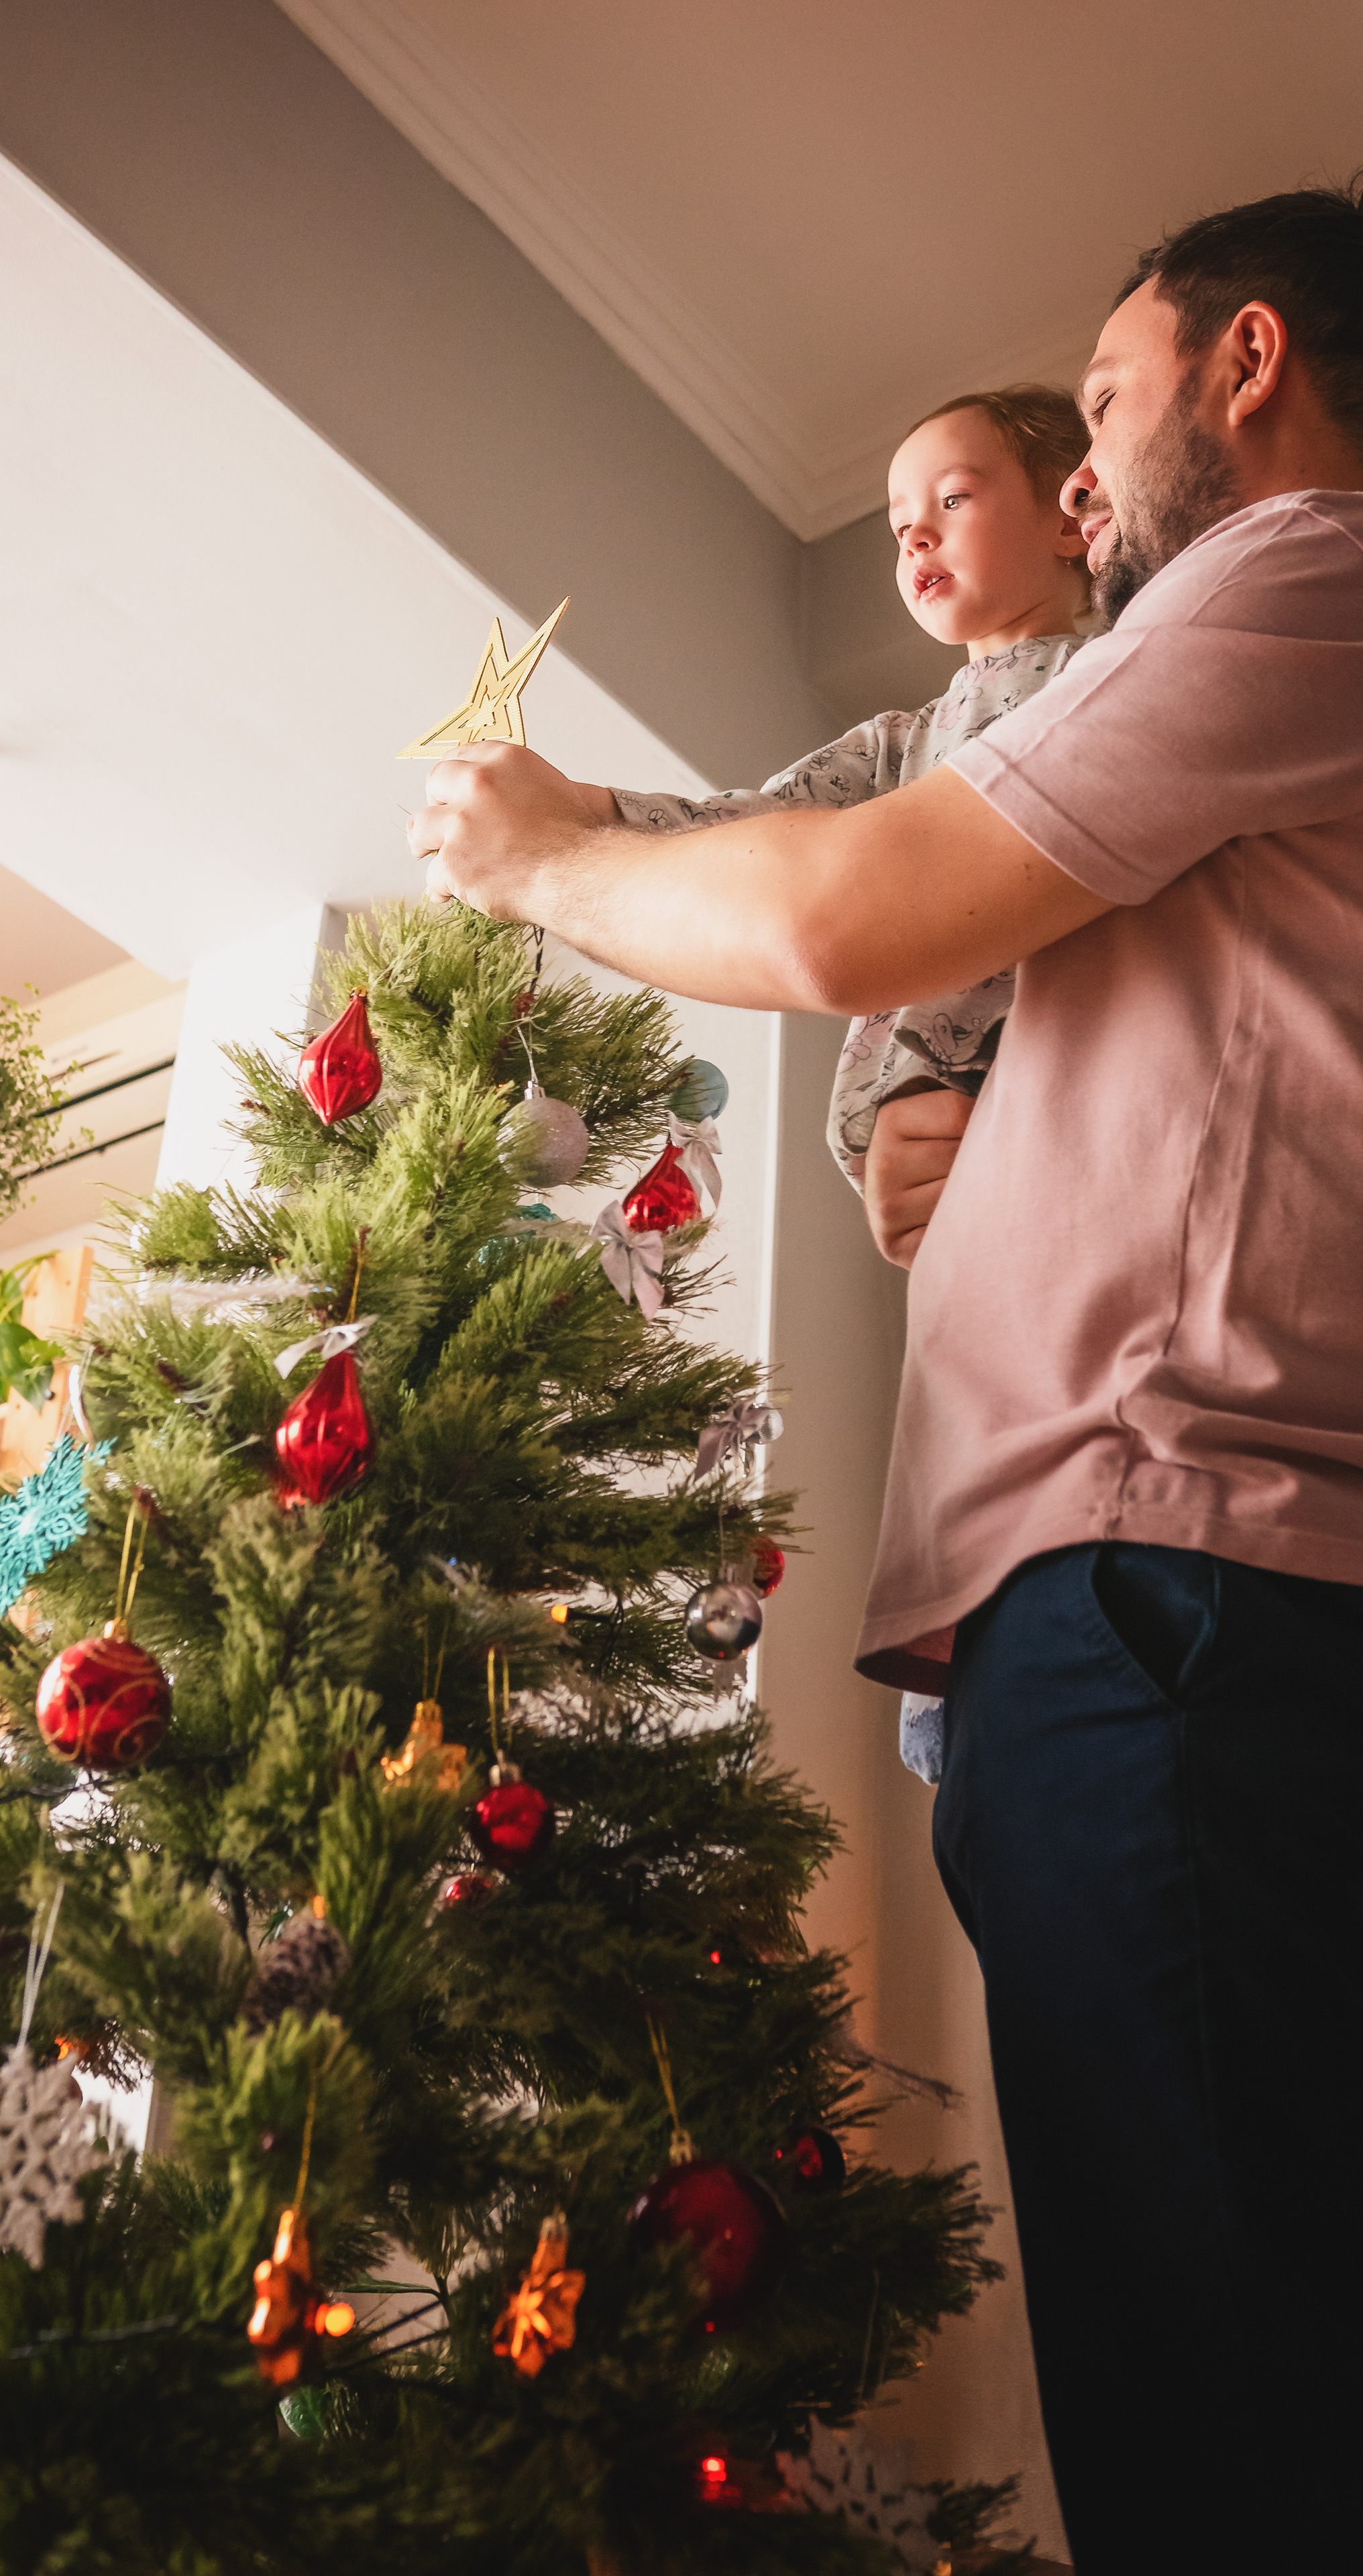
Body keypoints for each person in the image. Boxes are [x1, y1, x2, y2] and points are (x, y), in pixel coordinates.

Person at [409, 183, 1363, 2571]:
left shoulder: (1294, 568)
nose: (1077, 477)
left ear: (1244, 365)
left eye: (1107, 397)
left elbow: (838, 906)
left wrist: (533, 855)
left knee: (1217, 2423)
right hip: (1144, 1607)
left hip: (1168, 1595)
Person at [603, 381, 1093, 1786]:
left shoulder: (1125, 674)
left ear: (1073, 512)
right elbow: (739, 825)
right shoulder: (895, 749)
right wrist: (575, 817)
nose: (915, 538)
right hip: (950, 1233)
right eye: (893, 525)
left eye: (953, 495)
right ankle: (965, 1705)